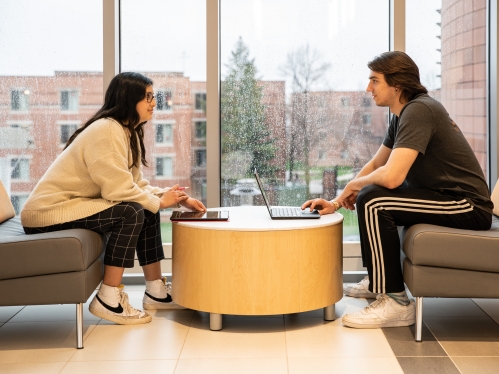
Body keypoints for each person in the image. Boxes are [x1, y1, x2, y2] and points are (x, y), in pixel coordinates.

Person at [302, 51, 493, 329]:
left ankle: (396, 302)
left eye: (374, 81)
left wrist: (354, 186)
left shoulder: (420, 110)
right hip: (442, 197)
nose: (369, 88)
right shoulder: (401, 116)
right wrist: (336, 200)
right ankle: (379, 281)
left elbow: (391, 177)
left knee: (374, 199)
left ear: (397, 84)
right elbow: (377, 163)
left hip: (467, 205)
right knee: (371, 196)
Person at [21, 72, 206, 325]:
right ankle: (108, 299)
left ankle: (156, 292)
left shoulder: (128, 132)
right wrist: (159, 201)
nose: (154, 103)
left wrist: (172, 197)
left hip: (74, 205)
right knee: (131, 210)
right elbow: (118, 191)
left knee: (145, 207)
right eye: (148, 97)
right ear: (130, 99)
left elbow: (135, 185)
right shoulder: (107, 130)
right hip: (46, 212)